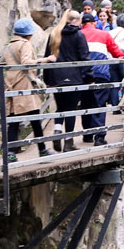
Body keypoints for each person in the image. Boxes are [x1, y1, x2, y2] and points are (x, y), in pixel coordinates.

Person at [44, 10, 90, 151]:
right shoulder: (79, 35)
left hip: (56, 77)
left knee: (60, 107)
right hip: (74, 78)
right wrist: (89, 77)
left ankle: (58, 131)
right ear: (76, 20)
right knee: (70, 109)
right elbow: (85, 57)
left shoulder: (54, 34)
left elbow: (47, 57)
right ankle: (68, 142)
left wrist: (47, 78)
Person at [3, 17, 49, 157]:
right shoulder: (25, 44)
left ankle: (11, 153)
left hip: (12, 85)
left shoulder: (10, 46)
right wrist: (44, 60)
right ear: (28, 33)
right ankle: (42, 150)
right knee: (35, 119)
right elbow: (26, 62)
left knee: (13, 122)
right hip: (25, 85)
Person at [80, 9, 124, 144]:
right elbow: (116, 53)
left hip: (83, 75)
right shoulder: (104, 35)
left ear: (82, 24)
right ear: (94, 23)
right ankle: (99, 136)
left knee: (86, 104)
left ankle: (87, 134)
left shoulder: (78, 35)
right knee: (99, 103)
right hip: (101, 73)